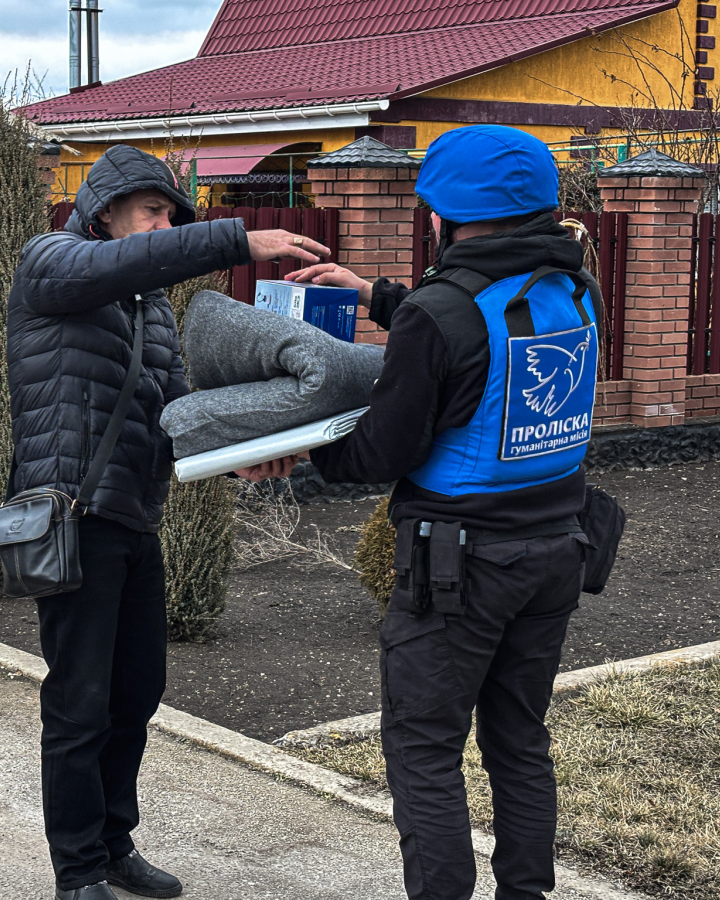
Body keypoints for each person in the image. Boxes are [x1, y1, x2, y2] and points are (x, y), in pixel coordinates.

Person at [248, 125, 599, 900]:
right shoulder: (574, 288)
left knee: (425, 749)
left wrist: (300, 449)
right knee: (518, 739)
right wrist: (378, 297)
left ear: (440, 216)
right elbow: (482, 324)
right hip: (557, 552)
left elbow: (382, 451)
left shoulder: (439, 314)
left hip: (460, 570)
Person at [8, 143, 329, 900]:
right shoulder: (50, 262)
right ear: (107, 210)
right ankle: (78, 869)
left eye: (171, 216)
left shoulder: (149, 309)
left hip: (132, 517)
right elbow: (114, 267)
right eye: (154, 210)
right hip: (72, 515)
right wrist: (231, 239)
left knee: (136, 693)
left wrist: (245, 453)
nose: (163, 224)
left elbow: (177, 414)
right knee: (79, 702)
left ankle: (115, 844)